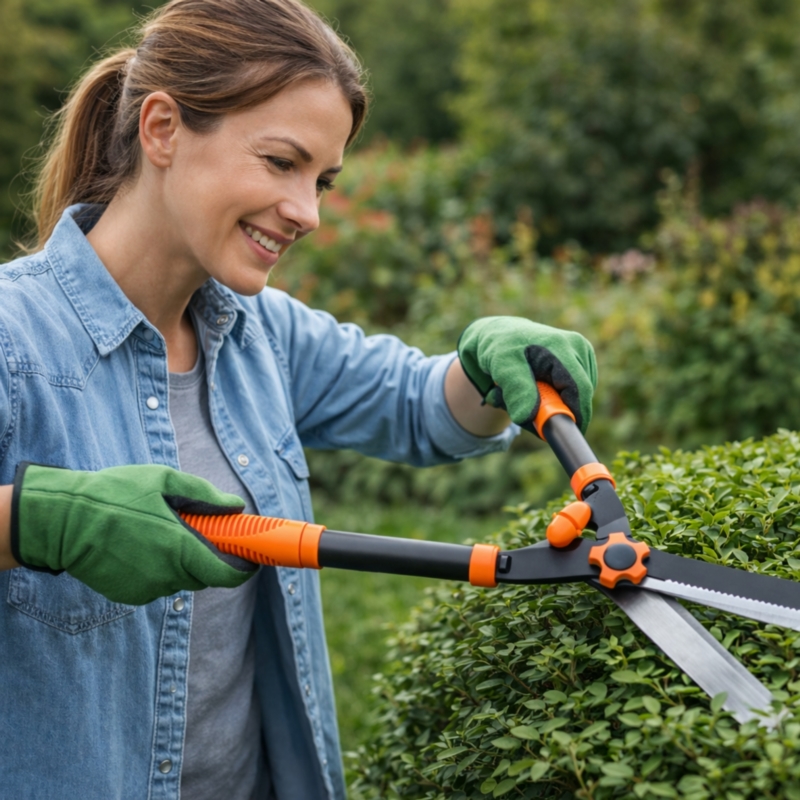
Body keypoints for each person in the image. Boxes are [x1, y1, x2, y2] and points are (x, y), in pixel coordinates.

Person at [0, 0, 597, 797]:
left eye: (321, 180)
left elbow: (420, 406)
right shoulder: (14, 337)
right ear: (163, 129)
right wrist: (40, 521)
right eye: (281, 162)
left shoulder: (260, 333)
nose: (308, 212)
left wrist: (485, 369)